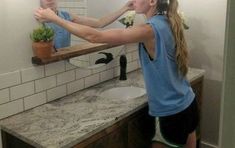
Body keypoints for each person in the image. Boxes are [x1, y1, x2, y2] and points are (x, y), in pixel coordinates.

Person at [34, 0, 199, 147]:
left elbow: (94, 36)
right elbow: (98, 24)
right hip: (188, 103)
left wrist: (55, 19)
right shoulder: (168, 21)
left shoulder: (149, 30)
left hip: (171, 112)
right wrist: (125, 8)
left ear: (152, 1)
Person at [40, 0, 134, 50]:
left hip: (64, 65)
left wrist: (125, 8)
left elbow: (100, 23)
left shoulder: (65, 15)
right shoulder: (35, 21)